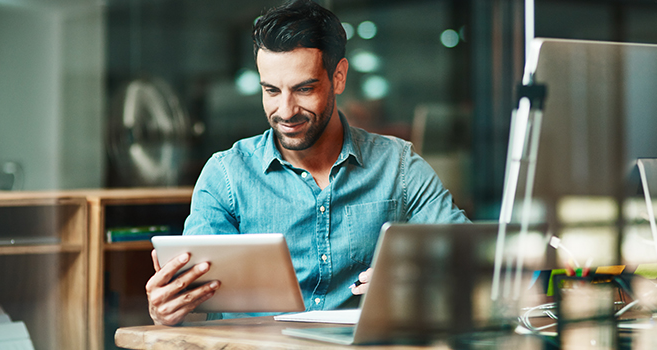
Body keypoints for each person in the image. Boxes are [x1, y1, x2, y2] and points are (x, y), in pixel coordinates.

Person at [146, 0, 470, 326]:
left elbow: (473, 259)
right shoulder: (226, 176)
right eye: (271, 90)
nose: (285, 111)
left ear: (339, 77)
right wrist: (166, 310)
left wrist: (423, 280)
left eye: (304, 89)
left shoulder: (397, 166)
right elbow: (189, 290)